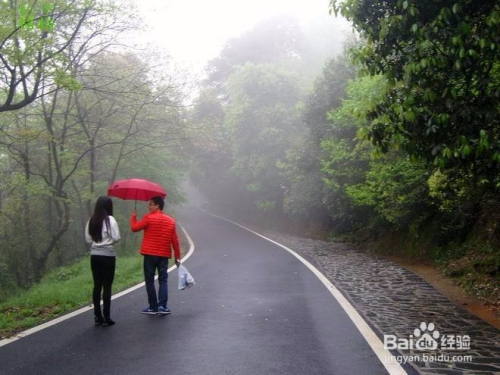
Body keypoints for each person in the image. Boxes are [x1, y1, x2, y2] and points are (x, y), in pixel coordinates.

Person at [131, 196, 181, 315]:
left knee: (149, 280)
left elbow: (134, 228)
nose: (149, 206)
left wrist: (133, 217)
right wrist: (177, 256)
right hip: (163, 255)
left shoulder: (149, 218)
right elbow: (175, 240)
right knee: (163, 280)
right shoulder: (170, 220)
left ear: (158, 205)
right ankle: (162, 306)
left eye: (151, 204)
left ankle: (153, 307)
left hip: (149, 255)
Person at [85, 196, 121, 327]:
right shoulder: (110, 220)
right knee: (107, 286)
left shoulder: (91, 220)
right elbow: (116, 238)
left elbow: (88, 239)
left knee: (97, 285)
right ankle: (107, 317)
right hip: (108, 256)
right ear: (108, 206)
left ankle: (97, 316)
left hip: (94, 255)